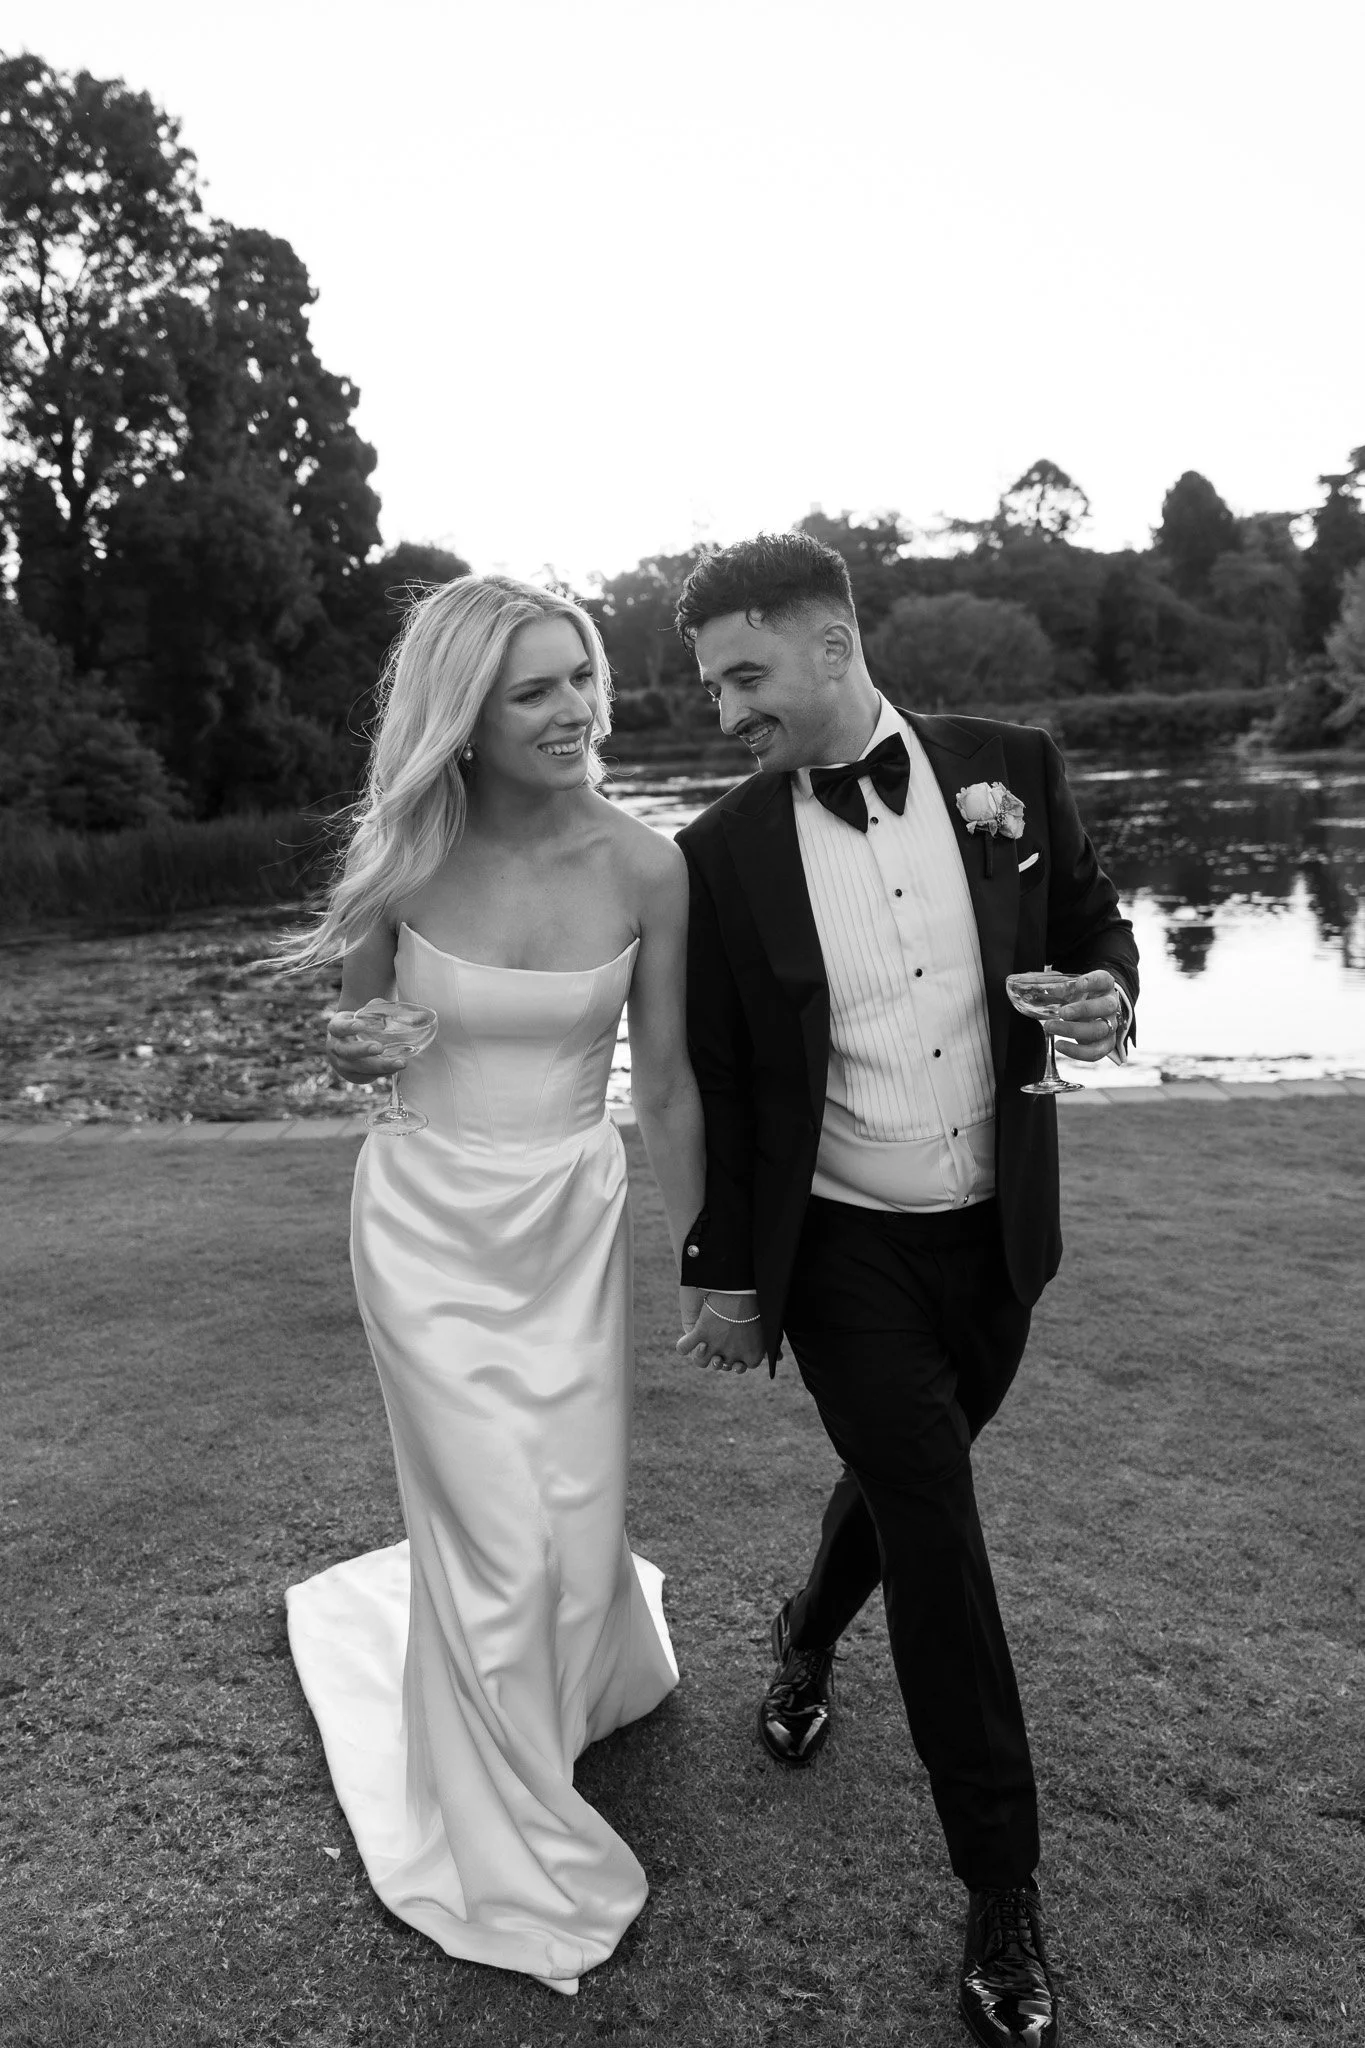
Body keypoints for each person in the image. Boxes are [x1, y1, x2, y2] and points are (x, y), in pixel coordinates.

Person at [670, 532, 1139, 2048]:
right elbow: (729, 1082)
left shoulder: (1013, 770)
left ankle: (807, 1629)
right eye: (712, 684)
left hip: (1000, 1237)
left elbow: (1093, 933)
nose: (727, 709)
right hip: (843, 1248)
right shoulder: (717, 853)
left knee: (904, 1479)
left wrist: (1106, 1001)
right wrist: (728, 1272)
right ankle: (1003, 1889)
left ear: (832, 641)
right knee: (936, 1521)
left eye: (747, 675)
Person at [281, 574, 705, 1996]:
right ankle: (510, 1831)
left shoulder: (649, 868)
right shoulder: (403, 860)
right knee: (494, 1537)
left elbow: (672, 1083)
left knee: (572, 1528)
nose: (575, 708)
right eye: (536, 688)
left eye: (582, 674)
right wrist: (355, 1051)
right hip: (425, 1223)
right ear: (463, 715)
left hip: (568, 1221)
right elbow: (361, 1044)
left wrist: (712, 1267)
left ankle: (577, 1685)